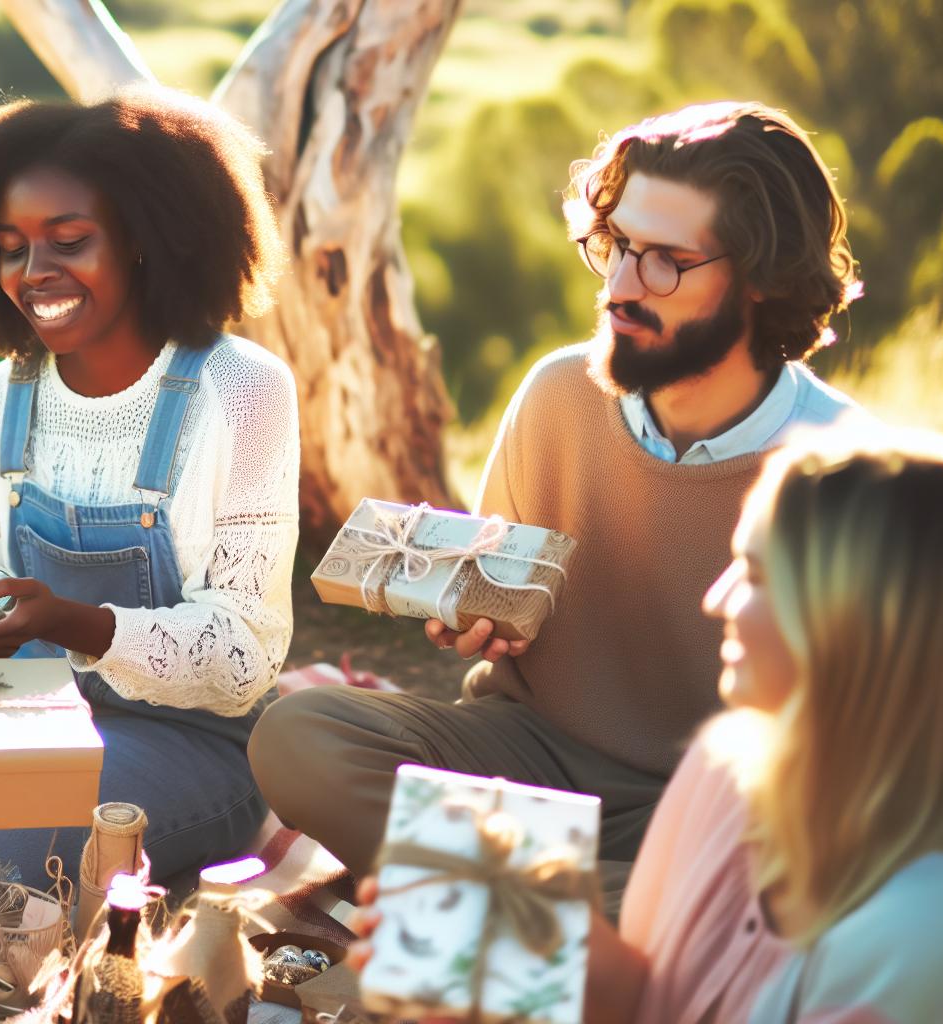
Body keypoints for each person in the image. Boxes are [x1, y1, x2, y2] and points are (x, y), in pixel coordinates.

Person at [249, 101, 867, 903]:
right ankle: (614, 918)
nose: (617, 287)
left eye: (665, 262)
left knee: (801, 875)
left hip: (720, 809)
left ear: (761, 280)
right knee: (301, 738)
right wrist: (475, 623)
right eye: (615, 246)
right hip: (531, 763)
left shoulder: (845, 472)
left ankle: (501, 906)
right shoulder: (556, 396)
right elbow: (505, 625)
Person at [349, 428, 943, 1022]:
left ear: (868, 624)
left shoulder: (942, 938)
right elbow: (645, 999)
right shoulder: (726, 767)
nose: (716, 598)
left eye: (756, 574)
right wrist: (555, 963)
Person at [0, 89, 298, 952]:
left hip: (186, 741)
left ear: (148, 237)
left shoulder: (243, 390)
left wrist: (71, 622)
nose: (33, 270)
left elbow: (243, 659)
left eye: (69, 241)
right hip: (21, 700)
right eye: (11, 248)